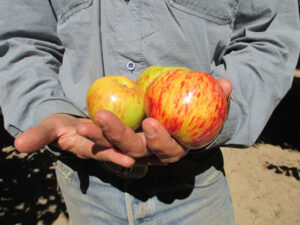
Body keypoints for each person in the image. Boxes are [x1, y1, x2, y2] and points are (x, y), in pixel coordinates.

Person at [1, 0, 299, 224]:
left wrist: (217, 117)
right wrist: (45, 106)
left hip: (194, 183)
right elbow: (21, 40)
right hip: (83, 179)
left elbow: (267, 37)